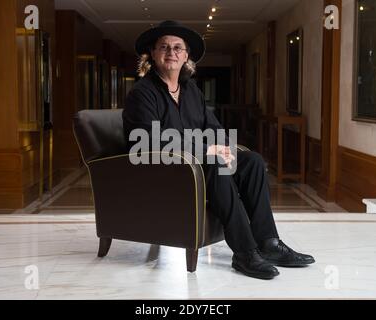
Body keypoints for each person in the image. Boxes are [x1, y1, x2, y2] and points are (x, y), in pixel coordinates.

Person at [122, 20, 315, 280]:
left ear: (186, 55)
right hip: (163, 173)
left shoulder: (191, 91)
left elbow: (214, 127)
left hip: (199, 166)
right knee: (215, 163)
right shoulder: (141, 93)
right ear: (153, 54)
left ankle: (268, 243)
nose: (172, 52)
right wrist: (208, 150)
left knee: (252, 162)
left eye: (178, 47)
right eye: (164, 47)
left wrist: (224, 148)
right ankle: (245, 252)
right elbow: (150, 140)